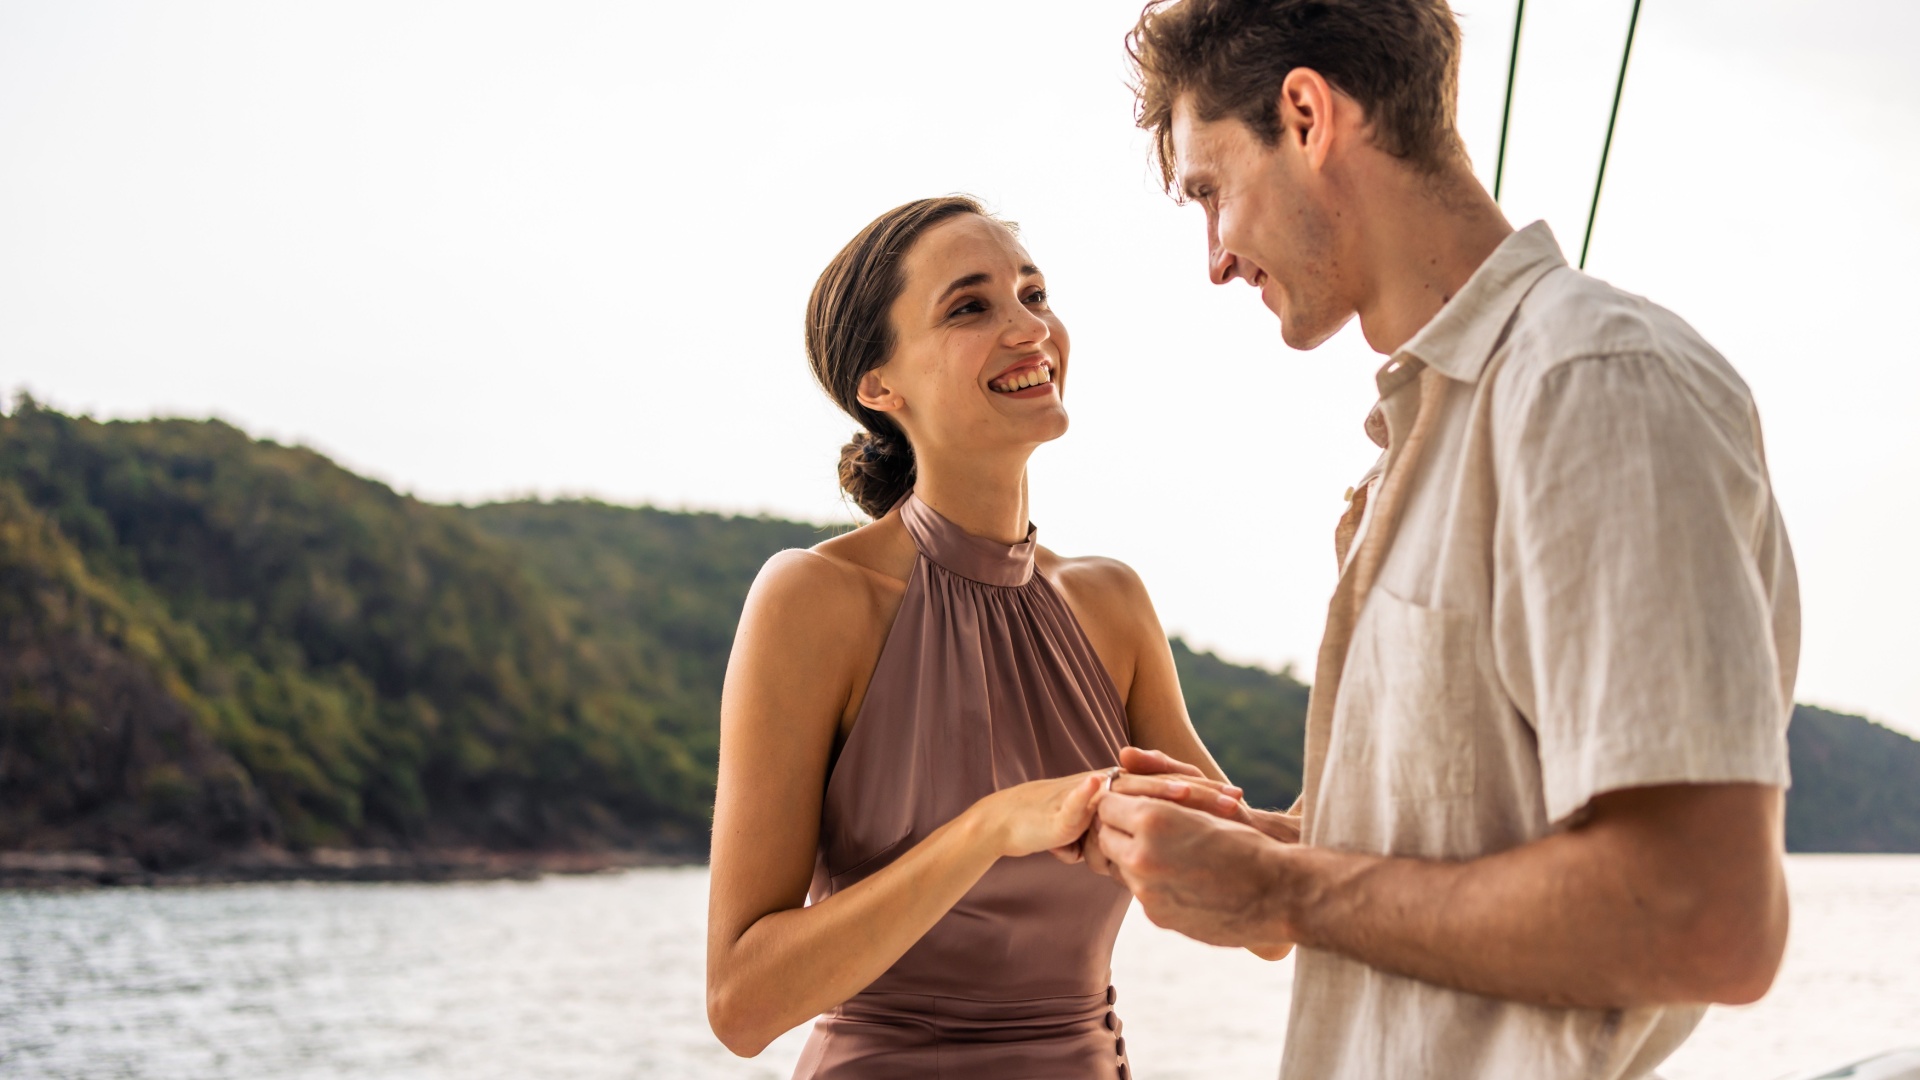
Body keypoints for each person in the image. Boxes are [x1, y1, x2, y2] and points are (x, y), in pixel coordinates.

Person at [1086, 2, 1801, 1079]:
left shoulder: (1590, 384)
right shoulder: (1436, 437)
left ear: (1307, 114)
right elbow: (1472, 856)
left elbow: (1706, 916)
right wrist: (1256, 857)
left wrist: (1281, 893)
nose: (1215, 258)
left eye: (1210, 190)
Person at [704, 195, 1263, 1078]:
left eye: (1033, 295)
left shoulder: (1111, 602)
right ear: (879, 386)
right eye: (971, 306)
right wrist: (991, 827)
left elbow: (1262, 908)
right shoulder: (814, 599)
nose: (1027, 327)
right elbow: (742, 1004)